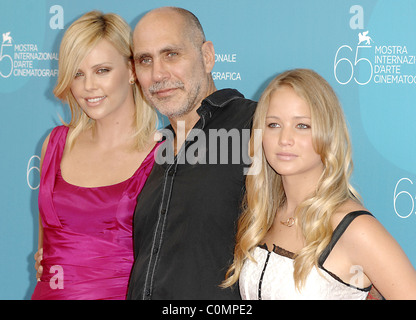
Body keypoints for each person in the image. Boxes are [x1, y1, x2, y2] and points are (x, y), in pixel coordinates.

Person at [221, 69, 416, 299]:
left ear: (327, 132)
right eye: (273, 125)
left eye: (302, 125)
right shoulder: (264, 215)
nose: (285, 139)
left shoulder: (355, 229)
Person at [126, 7, 257, 299]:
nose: (158, 73)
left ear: (207, 56)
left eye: (171, 54)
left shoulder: (256, 126)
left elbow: (323, 214)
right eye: (145, 60)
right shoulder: (157, 151)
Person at [32, 10, 158, 300]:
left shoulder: (163, 157)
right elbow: (50, 247)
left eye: (102, 70)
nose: (88, 86)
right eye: (77, 73)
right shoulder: (54, 144)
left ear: (131, 71)